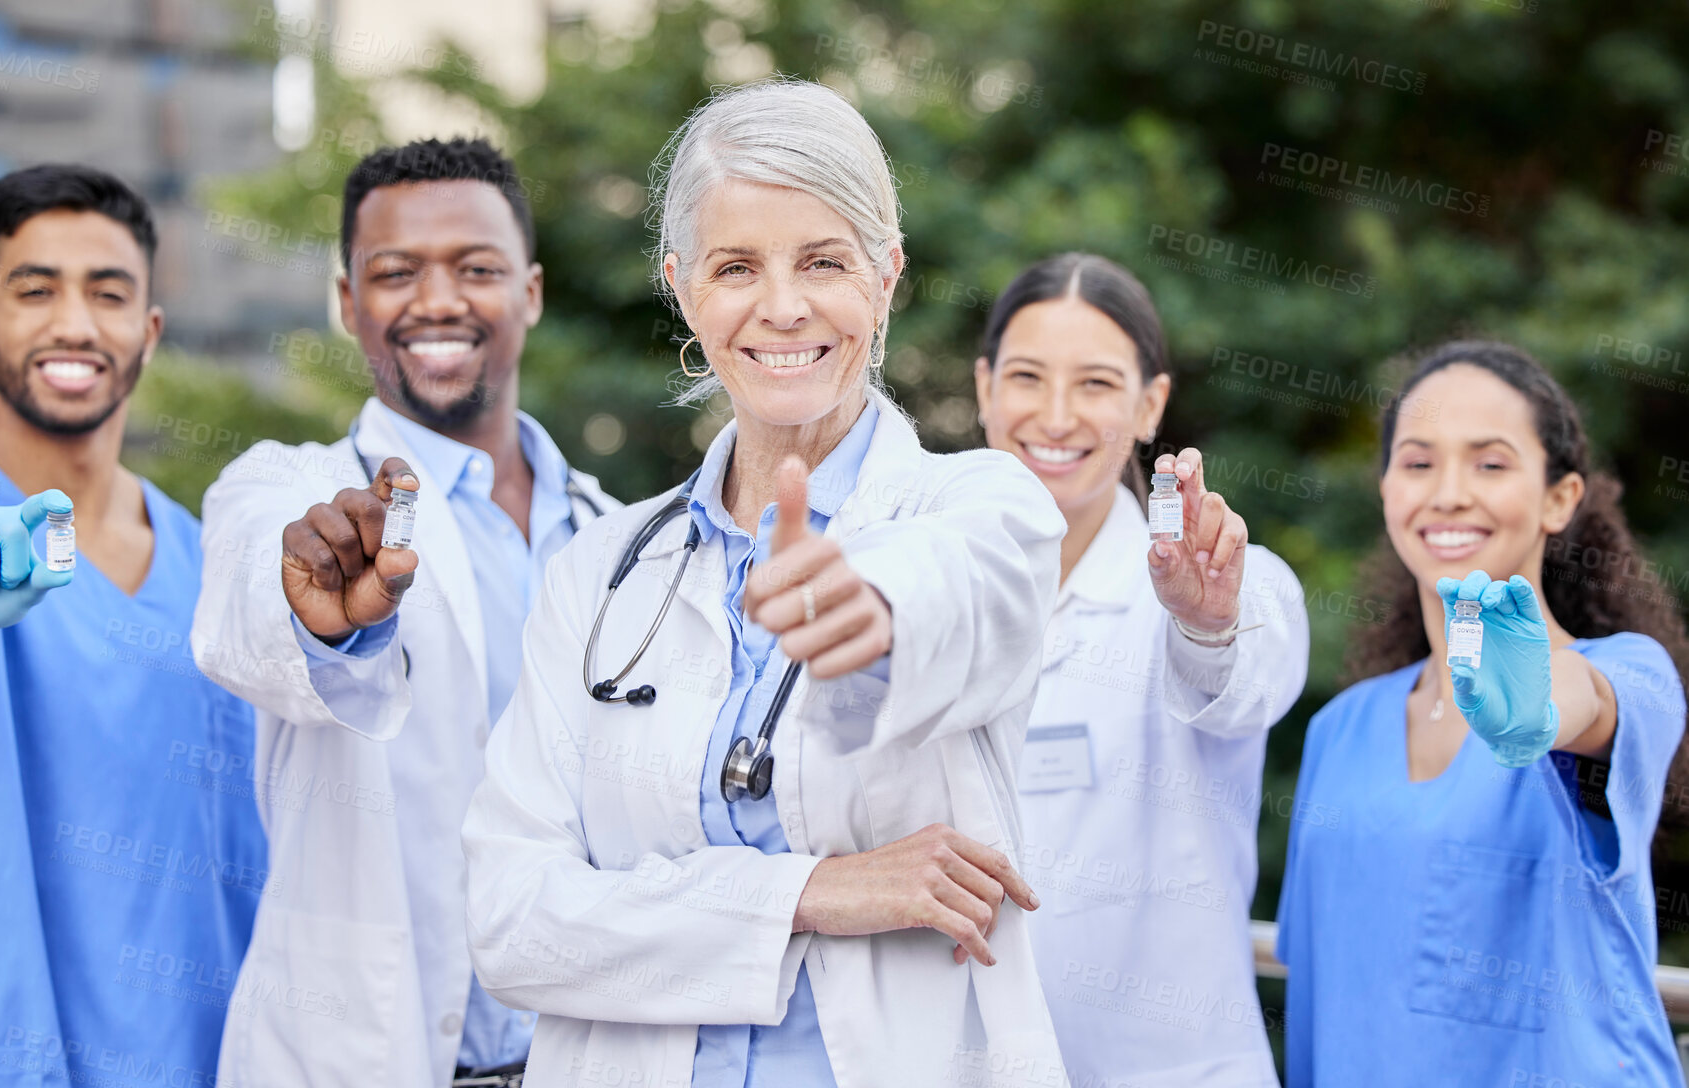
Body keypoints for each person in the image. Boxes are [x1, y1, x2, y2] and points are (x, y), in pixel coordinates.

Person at [460, 79, 1070, 1088]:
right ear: (682, 286)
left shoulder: (980, 507)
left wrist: (870, 610)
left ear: (886, 276)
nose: (782, 306)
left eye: (823, 261)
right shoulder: (598, 574)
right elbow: (513, 921)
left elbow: (962, 592)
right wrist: (811, 893)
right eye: (736, 266)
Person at [191, 137, 615, 1088]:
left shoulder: (621, 537)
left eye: (476, 269)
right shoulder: (285, 494)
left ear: (531, 293)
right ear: (348, 302)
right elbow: (252, 626)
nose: (437, 301)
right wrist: (332, 616)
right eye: (395, 272)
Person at [0, 165, 265, 1082]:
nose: (73, 323)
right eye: (33, 290)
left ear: (148, 333)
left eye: (107, 293)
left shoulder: (208, 566)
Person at [1275, 340, 1689, 1085]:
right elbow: (1316, 992)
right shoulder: (1339, 728)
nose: (1448, 493)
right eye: (1417, 462)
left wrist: (1534, 706)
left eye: (1490, 463)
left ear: (1559, 498)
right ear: (1385, 491)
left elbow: (1582, 704)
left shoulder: (1627, 674)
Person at [972, 253, 1308, 1086]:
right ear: (983, 389)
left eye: (1094, 383)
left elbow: (1242, 671)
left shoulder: (1229, 579)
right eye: (1025, 377)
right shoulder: (932, 582)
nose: (1055, 416)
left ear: (1149, 404)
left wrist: (1204, 620)